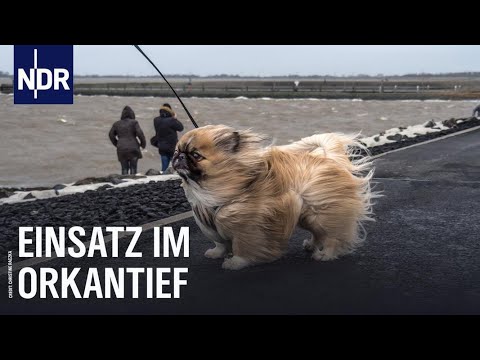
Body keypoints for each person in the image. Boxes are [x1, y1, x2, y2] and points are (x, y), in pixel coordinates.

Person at [109, 105, 146, 175]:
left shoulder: (116, 124)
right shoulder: (134, 122)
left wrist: (117, 144)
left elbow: (111, 135)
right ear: (132, 114)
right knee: (133, 168)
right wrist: (143, 144)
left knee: (124, 168)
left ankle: (124, 183)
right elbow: (140, 133)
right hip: (133, 147)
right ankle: (133, 182)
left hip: (121, 148)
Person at [152, 103, 184, 172]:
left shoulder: (156, 120)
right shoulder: (171, 120)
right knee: (174, 166)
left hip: (161, 146)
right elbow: (181, 128)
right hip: (172, 146)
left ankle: (163, 177)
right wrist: (175, 118)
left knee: (164, 167)